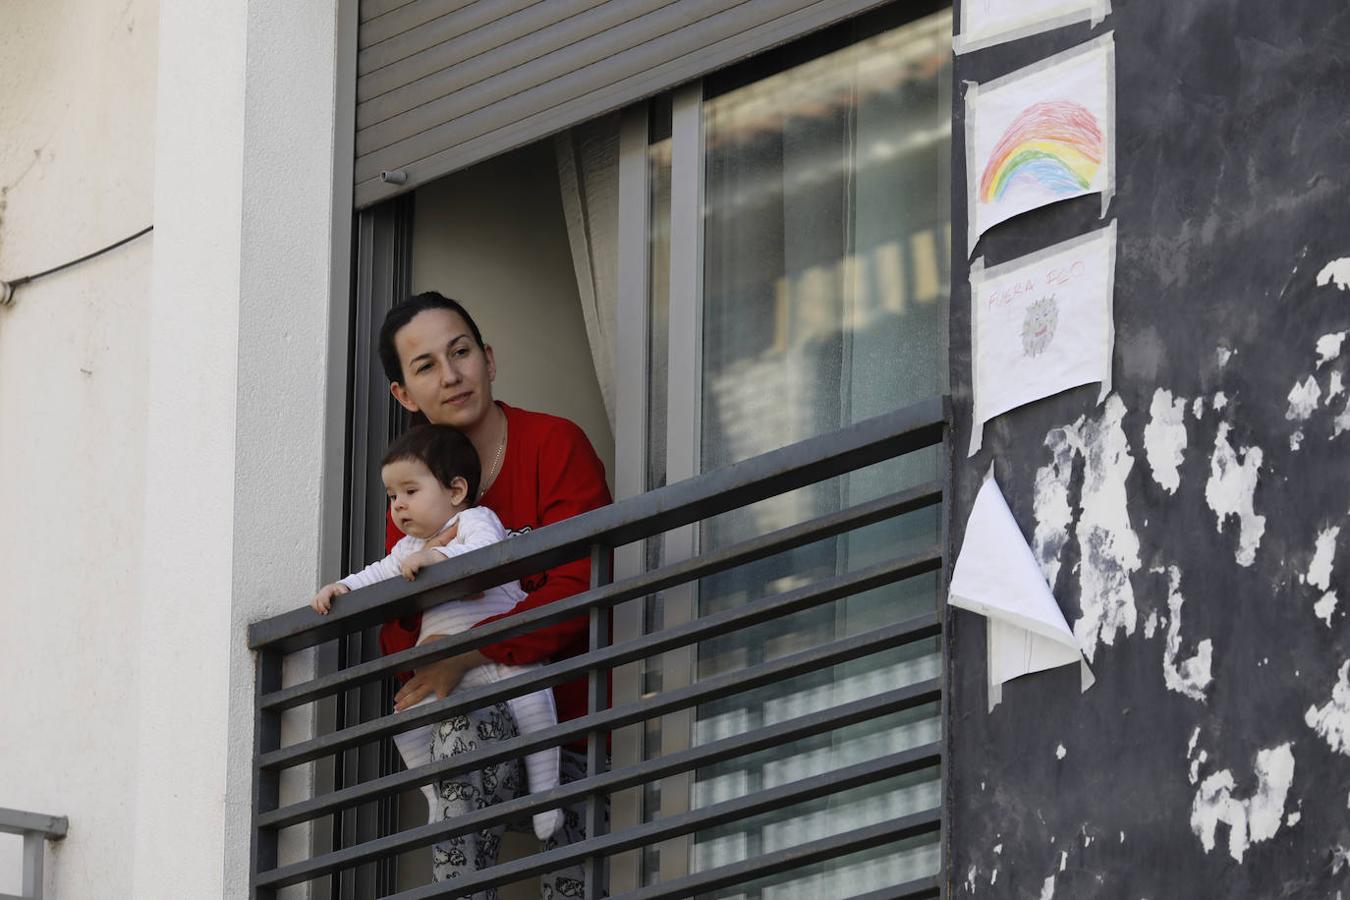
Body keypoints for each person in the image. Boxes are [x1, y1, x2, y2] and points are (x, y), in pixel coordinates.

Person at [376, 292, 612, 894]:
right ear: (404, 394)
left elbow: (580, 583)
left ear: (488, 358)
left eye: (461, 353)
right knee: (456, 729)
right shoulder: (409, 495)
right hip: (473, 734)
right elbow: (403, 627)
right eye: (426, 365)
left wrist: (470, 651)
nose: (452, 375)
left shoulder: (554, 444)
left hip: (572, 726)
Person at [310, 424, 563, 841]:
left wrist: (440, 555)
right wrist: (343, 588)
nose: (399, 506)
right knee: (407, 722)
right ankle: (437, 798)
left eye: (410, 491)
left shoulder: (476, 520)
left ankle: (546, 800)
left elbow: (483, 553)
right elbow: (378, 574)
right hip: (448, 670)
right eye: (392, 496)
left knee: (537, 711)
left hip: (498, 652)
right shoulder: (408, 549)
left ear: (456, 490)